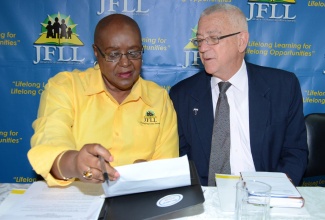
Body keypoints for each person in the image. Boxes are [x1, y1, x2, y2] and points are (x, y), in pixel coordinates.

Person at [28, 14, 179, 186]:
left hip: (137, 201)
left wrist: (150, 173)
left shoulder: (159, 99)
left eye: (134, 52)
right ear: (96, 52)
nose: (125, 63)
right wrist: (76, 163)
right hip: (77, 201)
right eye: (113, 54)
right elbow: (50, 144)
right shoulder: (65, 87)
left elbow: (167, 169)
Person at [169, 4, 308, 186]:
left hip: (265, 196)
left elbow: (294, 152)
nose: (203, 48)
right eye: (200, 40)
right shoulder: (182, 94)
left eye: (213, 38)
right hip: (206, 199)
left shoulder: (282, 87)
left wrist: (275, 191)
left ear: (241, 41)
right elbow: (180, 158)